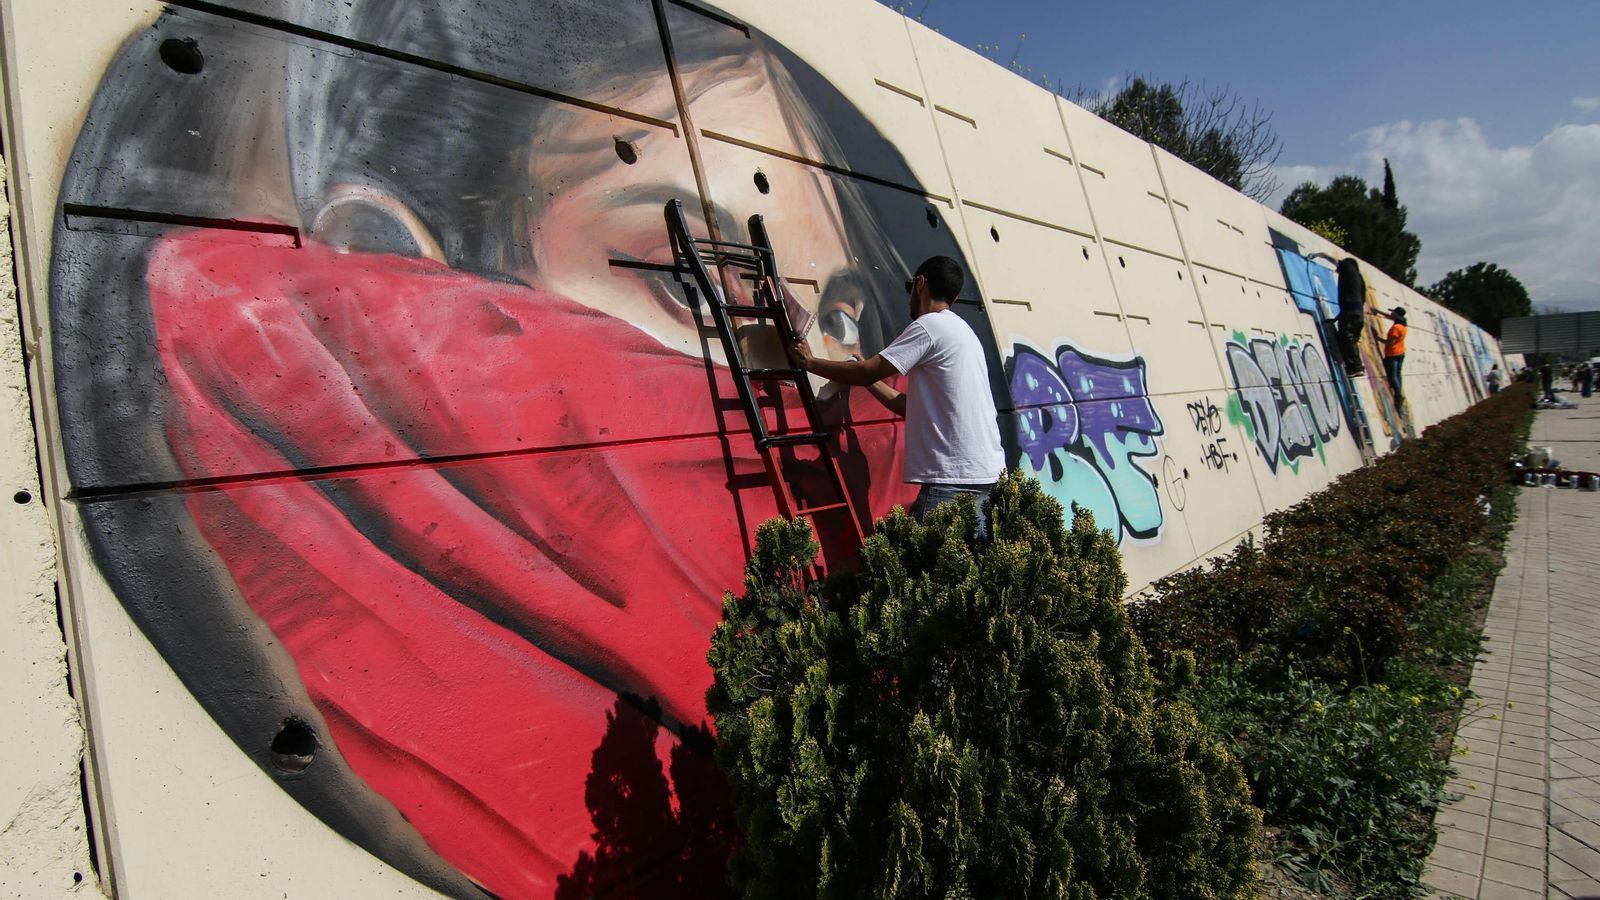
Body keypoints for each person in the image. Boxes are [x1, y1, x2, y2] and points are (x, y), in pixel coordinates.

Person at [788, 256, 1005, 533]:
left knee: (925, 568)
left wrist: (810, 363)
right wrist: (866, 377)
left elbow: (868, 371)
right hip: (986, 477)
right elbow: (906, 405)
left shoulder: (930, 327)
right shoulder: (963, 333)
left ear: (921, 284)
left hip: (951, 482)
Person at [1375, 306, 1407, 402]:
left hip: (1392, 354)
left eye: (1393, 312)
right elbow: (1389, 316)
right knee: (1397, 374)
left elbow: (1390, 343)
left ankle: (1398, 396)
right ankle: (1399, 393)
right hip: (1400, 352)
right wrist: (1377, 311)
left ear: (1396, 315)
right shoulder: (1403, 325)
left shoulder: (1396, 328)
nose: (1391, 314)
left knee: (1392, 376)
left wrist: (1377, 338)